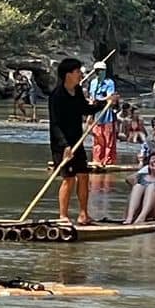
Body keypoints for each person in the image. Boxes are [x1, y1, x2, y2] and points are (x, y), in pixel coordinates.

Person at [48, 56, 96, 226]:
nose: (80, 75)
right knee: (69, 179)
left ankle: (83, 214)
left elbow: (85, 109)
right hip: (62, 144)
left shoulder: (77, 91)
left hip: (77, 141)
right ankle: (63, 215)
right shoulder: (57, 95)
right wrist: (65, 146)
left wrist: (106, 103)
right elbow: (55, 124)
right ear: (68, 74)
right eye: (77, 72)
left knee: (83, 176)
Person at [124, 146, 155, 224]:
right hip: (144, 211)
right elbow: (128, 180)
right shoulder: (140, 176)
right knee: (137, 186)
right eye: (152, 159)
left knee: (151, 187)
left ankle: (141, 218)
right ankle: (129, 217)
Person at [88, 62, 118, 169]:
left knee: (108, 139)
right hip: (96, 113)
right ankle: (97, 160)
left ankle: (108, 161)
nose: (98, 73)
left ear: (104, 71)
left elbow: (110, 98)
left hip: (107, 114)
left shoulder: (109, 83)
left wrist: (99, 100)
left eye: (100, 71)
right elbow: (91, 97)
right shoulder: (93, 83)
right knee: (97, 138)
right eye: (97, 71)